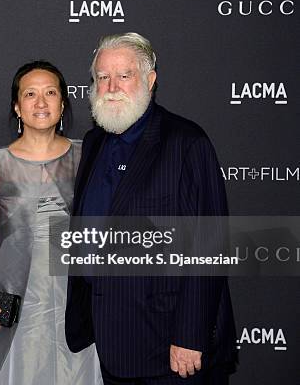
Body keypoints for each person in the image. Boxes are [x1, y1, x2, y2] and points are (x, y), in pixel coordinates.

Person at [65, 32, 237, 384]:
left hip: (169, 345)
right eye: (102, 77)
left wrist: (189, 336)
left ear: (150, 80)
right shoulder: (96, 141)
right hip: (111, 338)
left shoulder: (186, 142)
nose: (111, 86)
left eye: (124, 76)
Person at [0, 61, 102, 385]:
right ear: (17, 107)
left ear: (63, 104)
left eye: (50, 93)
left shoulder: (87, 156)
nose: (41, 102)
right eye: (30, 94)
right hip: (16, 301)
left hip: (73, 299)